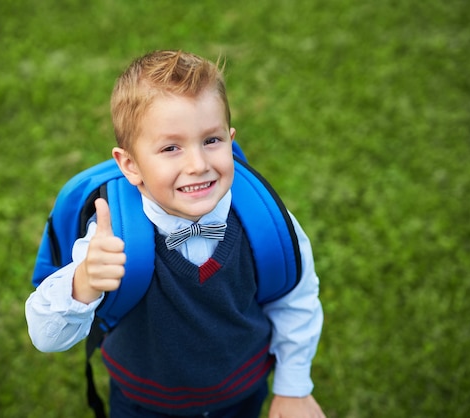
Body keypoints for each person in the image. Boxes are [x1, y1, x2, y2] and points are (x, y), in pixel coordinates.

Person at [25, 50, 325, 418]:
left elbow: (295, 298)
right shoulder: (111, 240)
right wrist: (84, 281)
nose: (197, 165)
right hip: (144, 403)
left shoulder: (266, 222)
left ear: (231, 140)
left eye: (211, 141)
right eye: (171, 148)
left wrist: (293, 387)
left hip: (242, 392)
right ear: (130, 165)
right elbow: (46, 336)